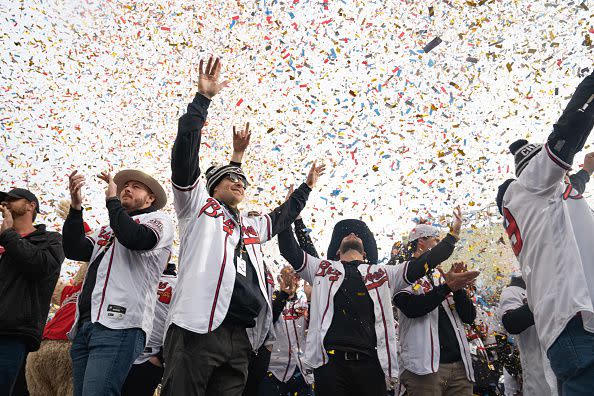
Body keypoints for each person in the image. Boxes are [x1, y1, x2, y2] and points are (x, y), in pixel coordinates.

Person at [161, 55, 324, 396]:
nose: (240, 183)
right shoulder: (198, 207)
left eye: (243, 181)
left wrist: (307, 187)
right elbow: (184, 159)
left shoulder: (249, 225)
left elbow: (281, 217)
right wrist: (202, 101)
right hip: (198, 326)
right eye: (231, 179)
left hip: (242, 336)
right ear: (214, 186)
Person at [277, 209, 477, 396]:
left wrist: (451, 238)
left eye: (358, 235)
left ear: (365, 254)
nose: (353, 234)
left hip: (371, 364)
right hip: (330, 365)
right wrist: (289, 212)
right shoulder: (322, 269)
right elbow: (289, 248)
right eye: (347, 235)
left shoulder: (385, 273)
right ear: (337, 251)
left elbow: (426, 262)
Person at [496, 71, 594, 395]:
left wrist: (586, 171)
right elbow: (567, 133)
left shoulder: (543, 200)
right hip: (577, 321)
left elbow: (571, 187)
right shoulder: (530, 186)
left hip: (572, 323)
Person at [63, 168, 174, 395]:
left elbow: (136, 238)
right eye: (125, 186)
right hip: (87, 323)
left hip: (121, 324)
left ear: (150, 198)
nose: (127, 188)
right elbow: (74, 249)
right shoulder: (108, 228)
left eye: (136, 186)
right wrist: (75, 209)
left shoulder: (159, 220)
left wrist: (112, 201)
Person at [394, 223, 479, 396]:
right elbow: (412, 308)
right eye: (436, 240)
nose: (440, 245)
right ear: (421, 242)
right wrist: (447, 287)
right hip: (424, 371)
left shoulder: (440, 274)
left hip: (460, 368)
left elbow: (469, 317)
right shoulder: (401, 273)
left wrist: (458, 288)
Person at [0, 188, 65, 395]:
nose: (7, 203)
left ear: (31, 205)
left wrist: (9, 235)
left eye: (13, 199)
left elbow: (41, 267)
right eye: (5, 200)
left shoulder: (51, 240)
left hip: (12, 331)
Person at [25, 200, 90, 396]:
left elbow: (97, 248)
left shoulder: (101, 292)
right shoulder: (70, 291)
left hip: (70, 346)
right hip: (42, 346)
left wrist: (77, 220)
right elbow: (47, 281)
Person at [122, 262, 178, 396]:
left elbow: (179, 322)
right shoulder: (132, 274)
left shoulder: (177, 283)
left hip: (150, 359)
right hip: (122, 353)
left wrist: (160, 357)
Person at [499, 274, 557, 395]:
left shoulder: (550, 282)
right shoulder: (513, 291)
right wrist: (545, 299)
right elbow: (511, 323)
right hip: (537, 369)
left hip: (560, 359)